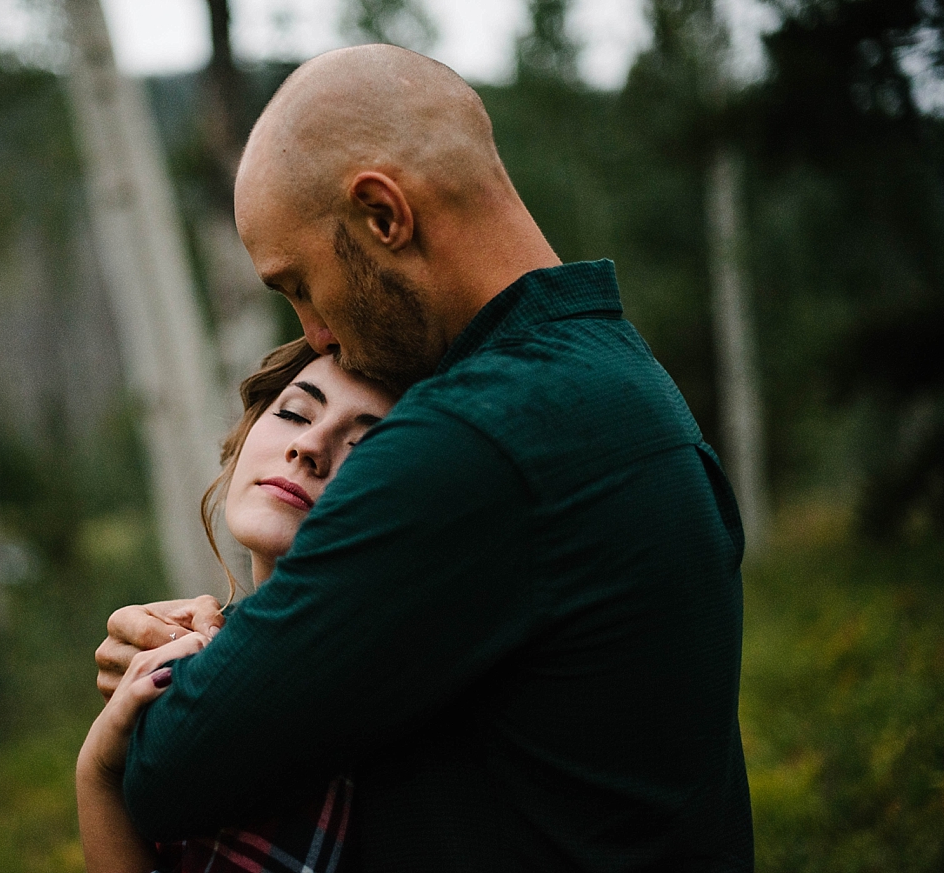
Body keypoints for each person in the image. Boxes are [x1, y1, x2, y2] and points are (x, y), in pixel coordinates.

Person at [94, 44, 754, 872]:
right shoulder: (623, 379)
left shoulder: (477, 439)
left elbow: (171, 772)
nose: (314, 335)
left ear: (383, 216)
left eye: (299, 283)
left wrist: (176, 677)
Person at [77, 338, 396, 873]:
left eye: (364, 446)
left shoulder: (353, 696)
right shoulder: (218, 654)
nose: (310, 446)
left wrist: (101, 773)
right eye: (295, 412)